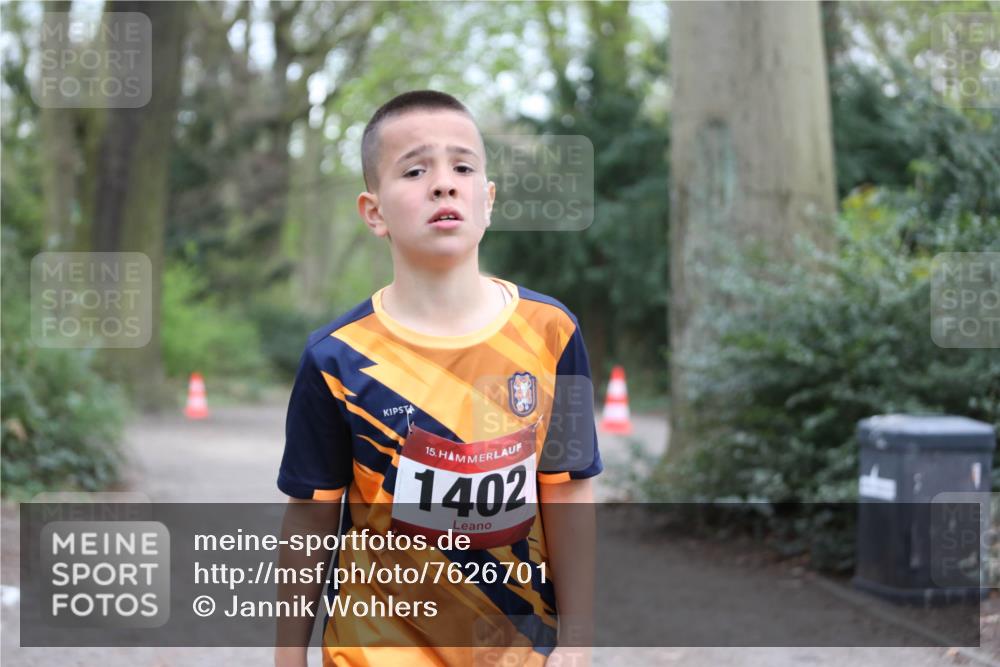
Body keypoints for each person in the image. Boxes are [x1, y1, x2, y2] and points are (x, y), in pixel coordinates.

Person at [274, 90, 601, 667]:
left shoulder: (552, 333)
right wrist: (287, 658)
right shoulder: (336, 357)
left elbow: (568, 491)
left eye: (463, 167)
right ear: (374, 212)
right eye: (415, 170)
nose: (444, 184)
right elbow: (311, 516)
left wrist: (577, 643)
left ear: (488, 201)